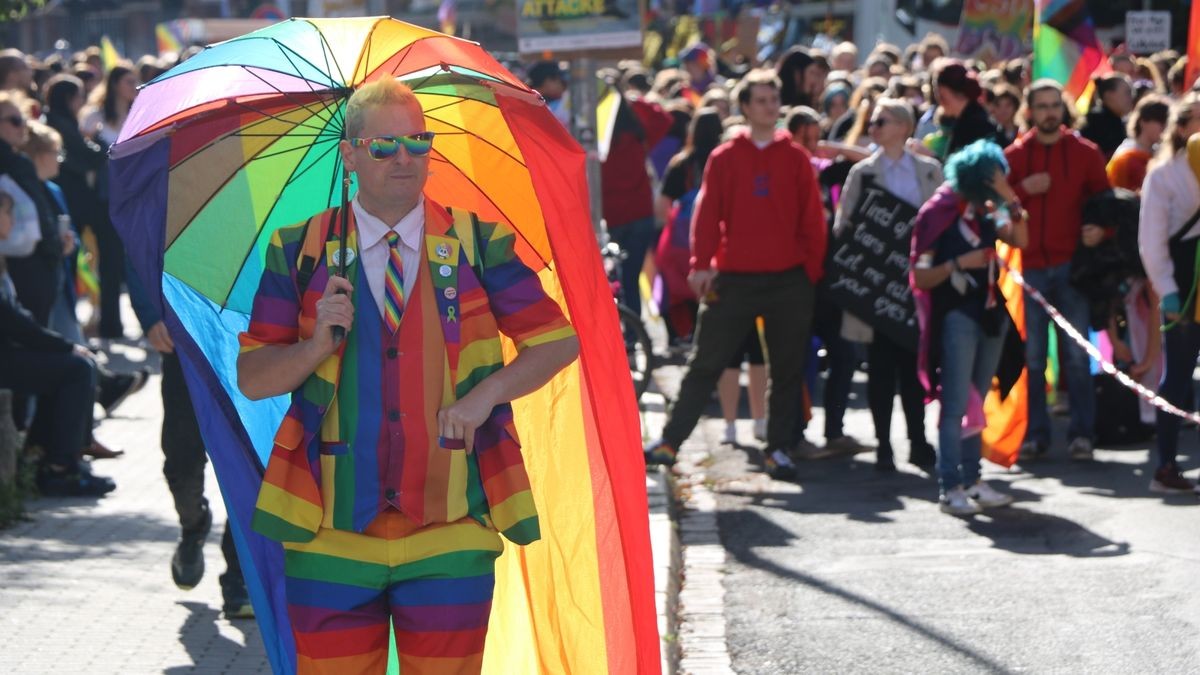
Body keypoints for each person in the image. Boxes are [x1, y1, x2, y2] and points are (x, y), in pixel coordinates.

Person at [236, 78, 579, 671]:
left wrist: (484, 398)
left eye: (418, 143)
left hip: (452, 522)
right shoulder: (300, 250)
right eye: (385, 145)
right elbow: (255, 378)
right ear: (350, 154)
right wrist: (315, 344)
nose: (404, 159)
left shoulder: (478, 242)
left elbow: (555, 342)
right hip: (328, 528)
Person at [643, 69, 827, 481]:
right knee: (705, 363)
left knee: (786, 369)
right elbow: (707, 215)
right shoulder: (725, 157)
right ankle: (670, 442)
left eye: (773, 99)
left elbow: (812, 219)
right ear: (745, 107)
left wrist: (809, 271)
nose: (769, 107)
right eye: (760, 100)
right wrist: (701, 266)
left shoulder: (794, 156)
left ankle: (778, 448)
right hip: (733, 278)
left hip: (788, 279)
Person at [911, 139, 1028, 514]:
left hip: (991, 314)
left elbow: (1019, 238)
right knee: (956, 403)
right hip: (956, 317)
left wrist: (1008, 196)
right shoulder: (938, 212)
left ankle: (973, 480)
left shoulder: (988, 210)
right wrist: (959, 263)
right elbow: (920, 276)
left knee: (978, 400)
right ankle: (950, 487)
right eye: (992, 181)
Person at [1004, 79, 1111, 461]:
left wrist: (1101, 231)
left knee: (1078, 356)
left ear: (1063, 109)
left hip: (1072, 268)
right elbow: (994, 209)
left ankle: (1083, 434)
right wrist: (1025, 189)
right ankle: (1036, 435)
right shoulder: (1014, 156)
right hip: (1029, 269)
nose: (1049, 112)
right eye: (1042, 106)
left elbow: (1106, 203)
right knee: (1033, 360)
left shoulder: (1086, 153)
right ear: (1030, 111)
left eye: (1055, 105)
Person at [835, 98, 943, 471]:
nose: (873, 129)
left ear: (902, 126)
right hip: (875, 287)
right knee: (880, 370)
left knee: (915, 369)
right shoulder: (862, 173)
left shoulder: (929, 171)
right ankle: (883, 445)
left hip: (917, 286)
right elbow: (844, 224)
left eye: (880, 122)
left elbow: (943, 223)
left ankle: (918, 441)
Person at [0, 190, 114, 497]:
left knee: (77, 365)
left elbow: (18, 317)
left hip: (10, 351)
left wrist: (60, 346)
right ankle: (61, 467)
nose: (12, 220)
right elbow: (12, 320)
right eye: (8, 213)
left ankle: (44, 454)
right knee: (76, 368)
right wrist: (63, 346)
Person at [1137, 92, 1200, 494]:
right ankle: (1165, 465)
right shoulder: (1162, 175)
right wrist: (1168, 291)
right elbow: (1152, 241)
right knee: (1176, 375)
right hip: (1184, 284)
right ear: (1181, 126)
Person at [80, 64, 138, 339]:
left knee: (137, 259)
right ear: (115, 84)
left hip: (135, 196)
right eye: (129, 81)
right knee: (111, 262)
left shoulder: (139, 114)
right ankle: (110, 324)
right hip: (104, 200)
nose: (134, 86)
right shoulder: (94, 117)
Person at [1107, 95, 1169, 192]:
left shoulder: (1161, 153)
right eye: (1161, 122)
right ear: (1143, 121)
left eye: (1167, 123)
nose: (1165, 128)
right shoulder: (1125, 157)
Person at [1080, 73, 1134, 161]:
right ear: (1109, 95)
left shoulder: (1119, 121)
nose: (1131, 97)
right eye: (1127, 92)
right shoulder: (1096, 123)